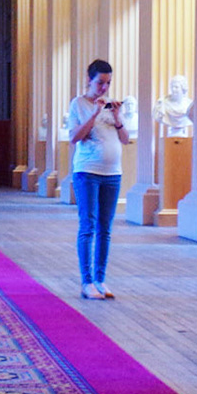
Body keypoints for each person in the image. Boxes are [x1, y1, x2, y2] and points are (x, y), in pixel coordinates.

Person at [67, 59, 132, 300]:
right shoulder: (79, 104)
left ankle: (100, 279)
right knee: (88, 225)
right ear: (89, 80)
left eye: (108, 83)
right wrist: (95, 112)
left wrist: (117, 117)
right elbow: (75, 137)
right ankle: (86, 281)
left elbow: (125, 139)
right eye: (100, 83)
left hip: (112, 174)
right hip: (87, 171)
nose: (104, 88)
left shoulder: (114, 106)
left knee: (106, 228)